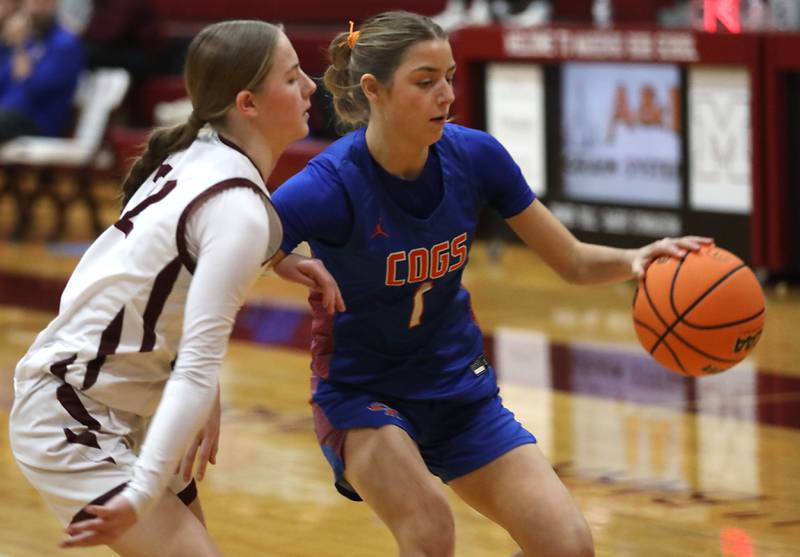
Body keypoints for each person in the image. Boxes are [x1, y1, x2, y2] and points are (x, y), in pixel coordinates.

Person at [271, 11, 711, 557]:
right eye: (425, 81)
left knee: (569, 545)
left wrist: (635, 258)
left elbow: (570, 260)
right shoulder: (329, 184)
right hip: (364, 393)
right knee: (429, 529)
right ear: (374, 90)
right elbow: (230, 240)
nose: (447, 95)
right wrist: (278, 258)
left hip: (458, 388)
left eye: (450, 77)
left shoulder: (476, 156)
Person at [9, 20, 343, 556]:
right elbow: (197, 367)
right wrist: (142, 491)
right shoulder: (234, 206)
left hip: (127, 401)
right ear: (247, 104)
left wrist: (280, 258)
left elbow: (176, 254)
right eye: (292, 76)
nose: (311, 86)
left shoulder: (204, 151)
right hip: (73, 411)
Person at [0, 0, 84, 143]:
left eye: (42, 3)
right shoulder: (29, 41)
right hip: (8, 115)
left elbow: (37, 87)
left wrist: (20, 50)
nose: (35, 10)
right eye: (32, 4)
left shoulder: (65, 44)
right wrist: (8, 43)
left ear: (54, 5)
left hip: (38, 121)